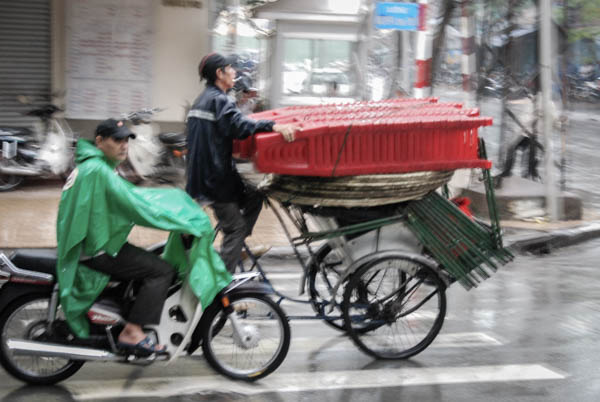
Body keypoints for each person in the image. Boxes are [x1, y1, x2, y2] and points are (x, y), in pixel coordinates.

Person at [56, 118, 230, 356]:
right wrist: (180, 216)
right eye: (117, 140)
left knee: (149, 258)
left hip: (96, 243)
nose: (124, 145)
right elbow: (135, 204)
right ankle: (133, 331)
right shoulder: (97, 170)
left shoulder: (93, 166)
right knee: (161, 270)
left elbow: (130, 197)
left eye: (126, 140)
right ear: (99, 141)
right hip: (97, 249)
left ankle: (125, 314)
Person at [186, 52, 298, 273]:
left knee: (256, 195)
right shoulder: (218, 99)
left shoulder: (202, 99)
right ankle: (222, 285)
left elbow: (226, 128)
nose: (234, 72)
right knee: (235, 228)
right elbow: (237, 125)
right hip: (215, 179)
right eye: (230, 68)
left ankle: (236, 248)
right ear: (219, 73)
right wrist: (273, 126)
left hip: (204, 175)